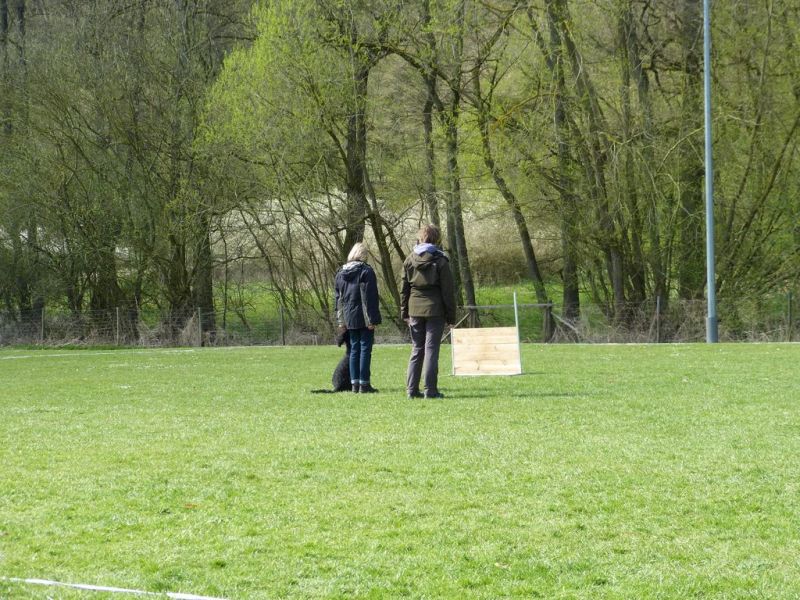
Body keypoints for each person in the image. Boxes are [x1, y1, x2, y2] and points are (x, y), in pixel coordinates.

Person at [401, 224, 456, 399]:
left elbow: (404, 290)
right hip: (435, 309)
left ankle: (411, 390)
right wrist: (451, 316)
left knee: (417, 349)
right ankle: (430, 390)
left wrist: (404, 312)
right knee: (431, 349)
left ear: (420, 237)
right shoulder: (441, 260)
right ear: (436, 239)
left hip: (414, 309)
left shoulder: (409, 259)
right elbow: (448, 291)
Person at [334, 242, 382, 393]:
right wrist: (372, 320)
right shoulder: (366, 271)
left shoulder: (340, 273)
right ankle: (364, 384)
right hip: (364, 318)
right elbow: (370, 297)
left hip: (350, 317)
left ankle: (354, 384)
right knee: (365, 350)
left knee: (354, 350)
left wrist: (341, 321)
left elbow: (339, 300)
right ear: (363, 255)